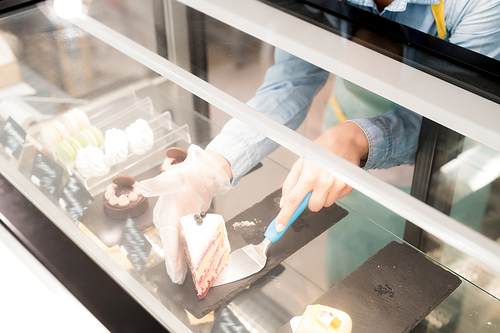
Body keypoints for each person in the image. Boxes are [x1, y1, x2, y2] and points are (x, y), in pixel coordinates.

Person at [140, 0, 500, 284]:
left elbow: (447, 120)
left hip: (441, 182)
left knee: (426, 297)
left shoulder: (479, 5)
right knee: (349, 293)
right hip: (338, 147)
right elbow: (293, 77)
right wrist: (214, 164)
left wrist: (359, 138)